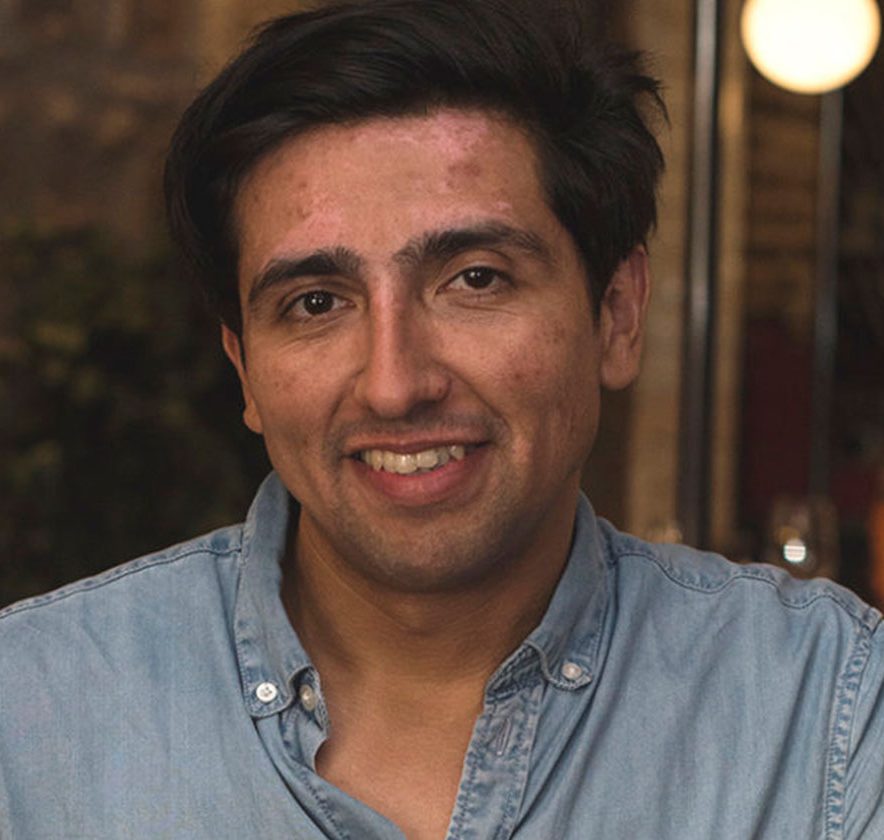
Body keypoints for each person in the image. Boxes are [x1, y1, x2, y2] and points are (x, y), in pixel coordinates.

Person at [1, 1, 883, 837]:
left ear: (616, 312)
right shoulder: (32, 719)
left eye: (475, 279)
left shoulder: (827, 717)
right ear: (245, 371)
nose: (394, 384)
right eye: (315, 302)